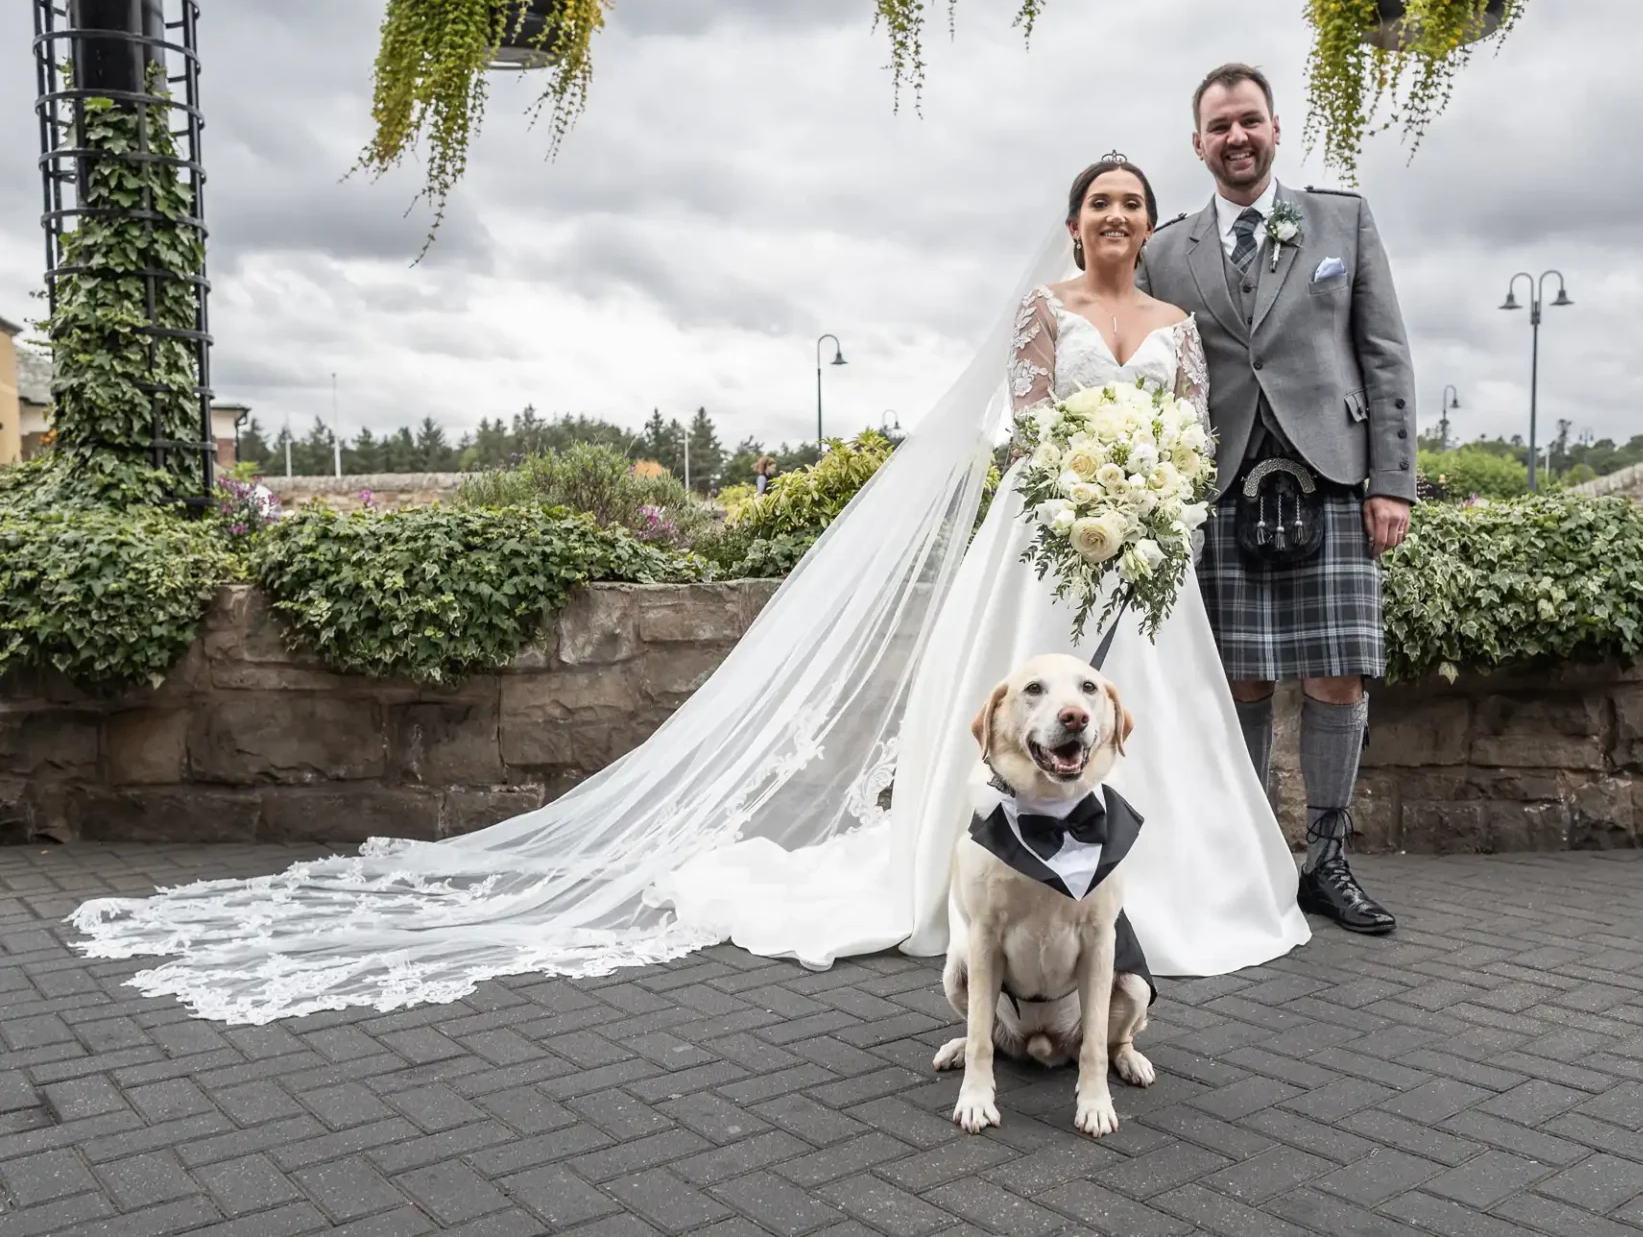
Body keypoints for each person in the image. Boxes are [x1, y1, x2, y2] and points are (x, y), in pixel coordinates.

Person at [67, 158, 1308, 1026]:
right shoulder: (1045, 312)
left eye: (1132, 204)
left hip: (1142, 558)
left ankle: (1162, 905)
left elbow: (1191, 437)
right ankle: (991, 891)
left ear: (1151, 223)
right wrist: (1080, 492)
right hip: (1043, 547)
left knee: (1158, 727)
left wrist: (1151, 501)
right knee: (1024, 716)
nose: (1115, 218)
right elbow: (1026, 429)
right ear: (1075, 219)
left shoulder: (1176, 323)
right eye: (1099, 202)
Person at [1139, 63, 1416, 936]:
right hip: (1220, 486)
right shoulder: (1164, 252)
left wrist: (1392, 482)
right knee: (1241, 681)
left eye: (1249, 121)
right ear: (1198, 143)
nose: (1236, 138)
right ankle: (1251, 858)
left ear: (1275, 128)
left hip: (1332, 479)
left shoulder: (1344, 219)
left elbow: (1385, 355)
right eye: (1219, 127)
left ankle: (1327, 861)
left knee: (1338, 675)